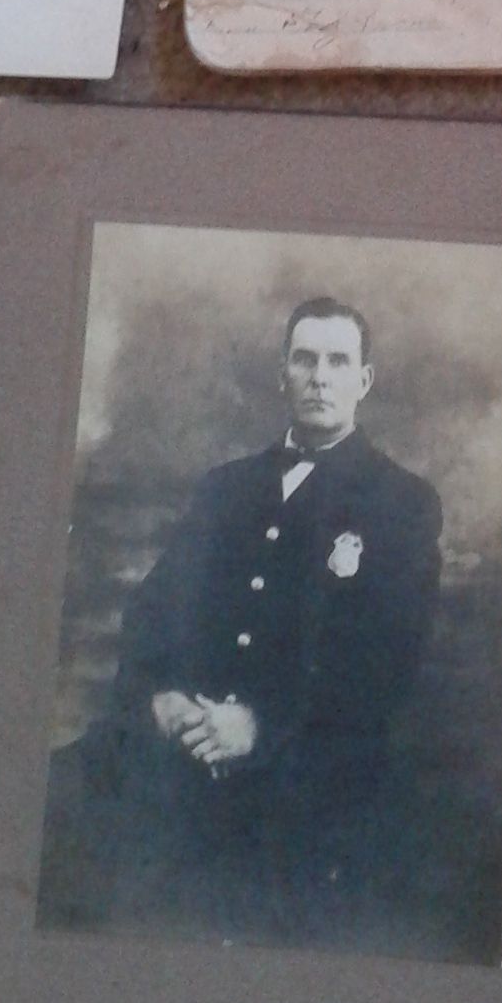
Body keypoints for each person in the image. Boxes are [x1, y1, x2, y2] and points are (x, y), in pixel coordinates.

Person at [55, 296, 444, 943]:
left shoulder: (401, 502)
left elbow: (386, 665)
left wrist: (260, 725)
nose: (320, 377)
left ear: (364, 380)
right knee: (55, 805)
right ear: (282, 374)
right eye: (305, 359)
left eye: (338, 362)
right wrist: (162, 696)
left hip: (310, 769)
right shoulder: (225, 487)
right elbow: (155, 608)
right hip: (185, 744)